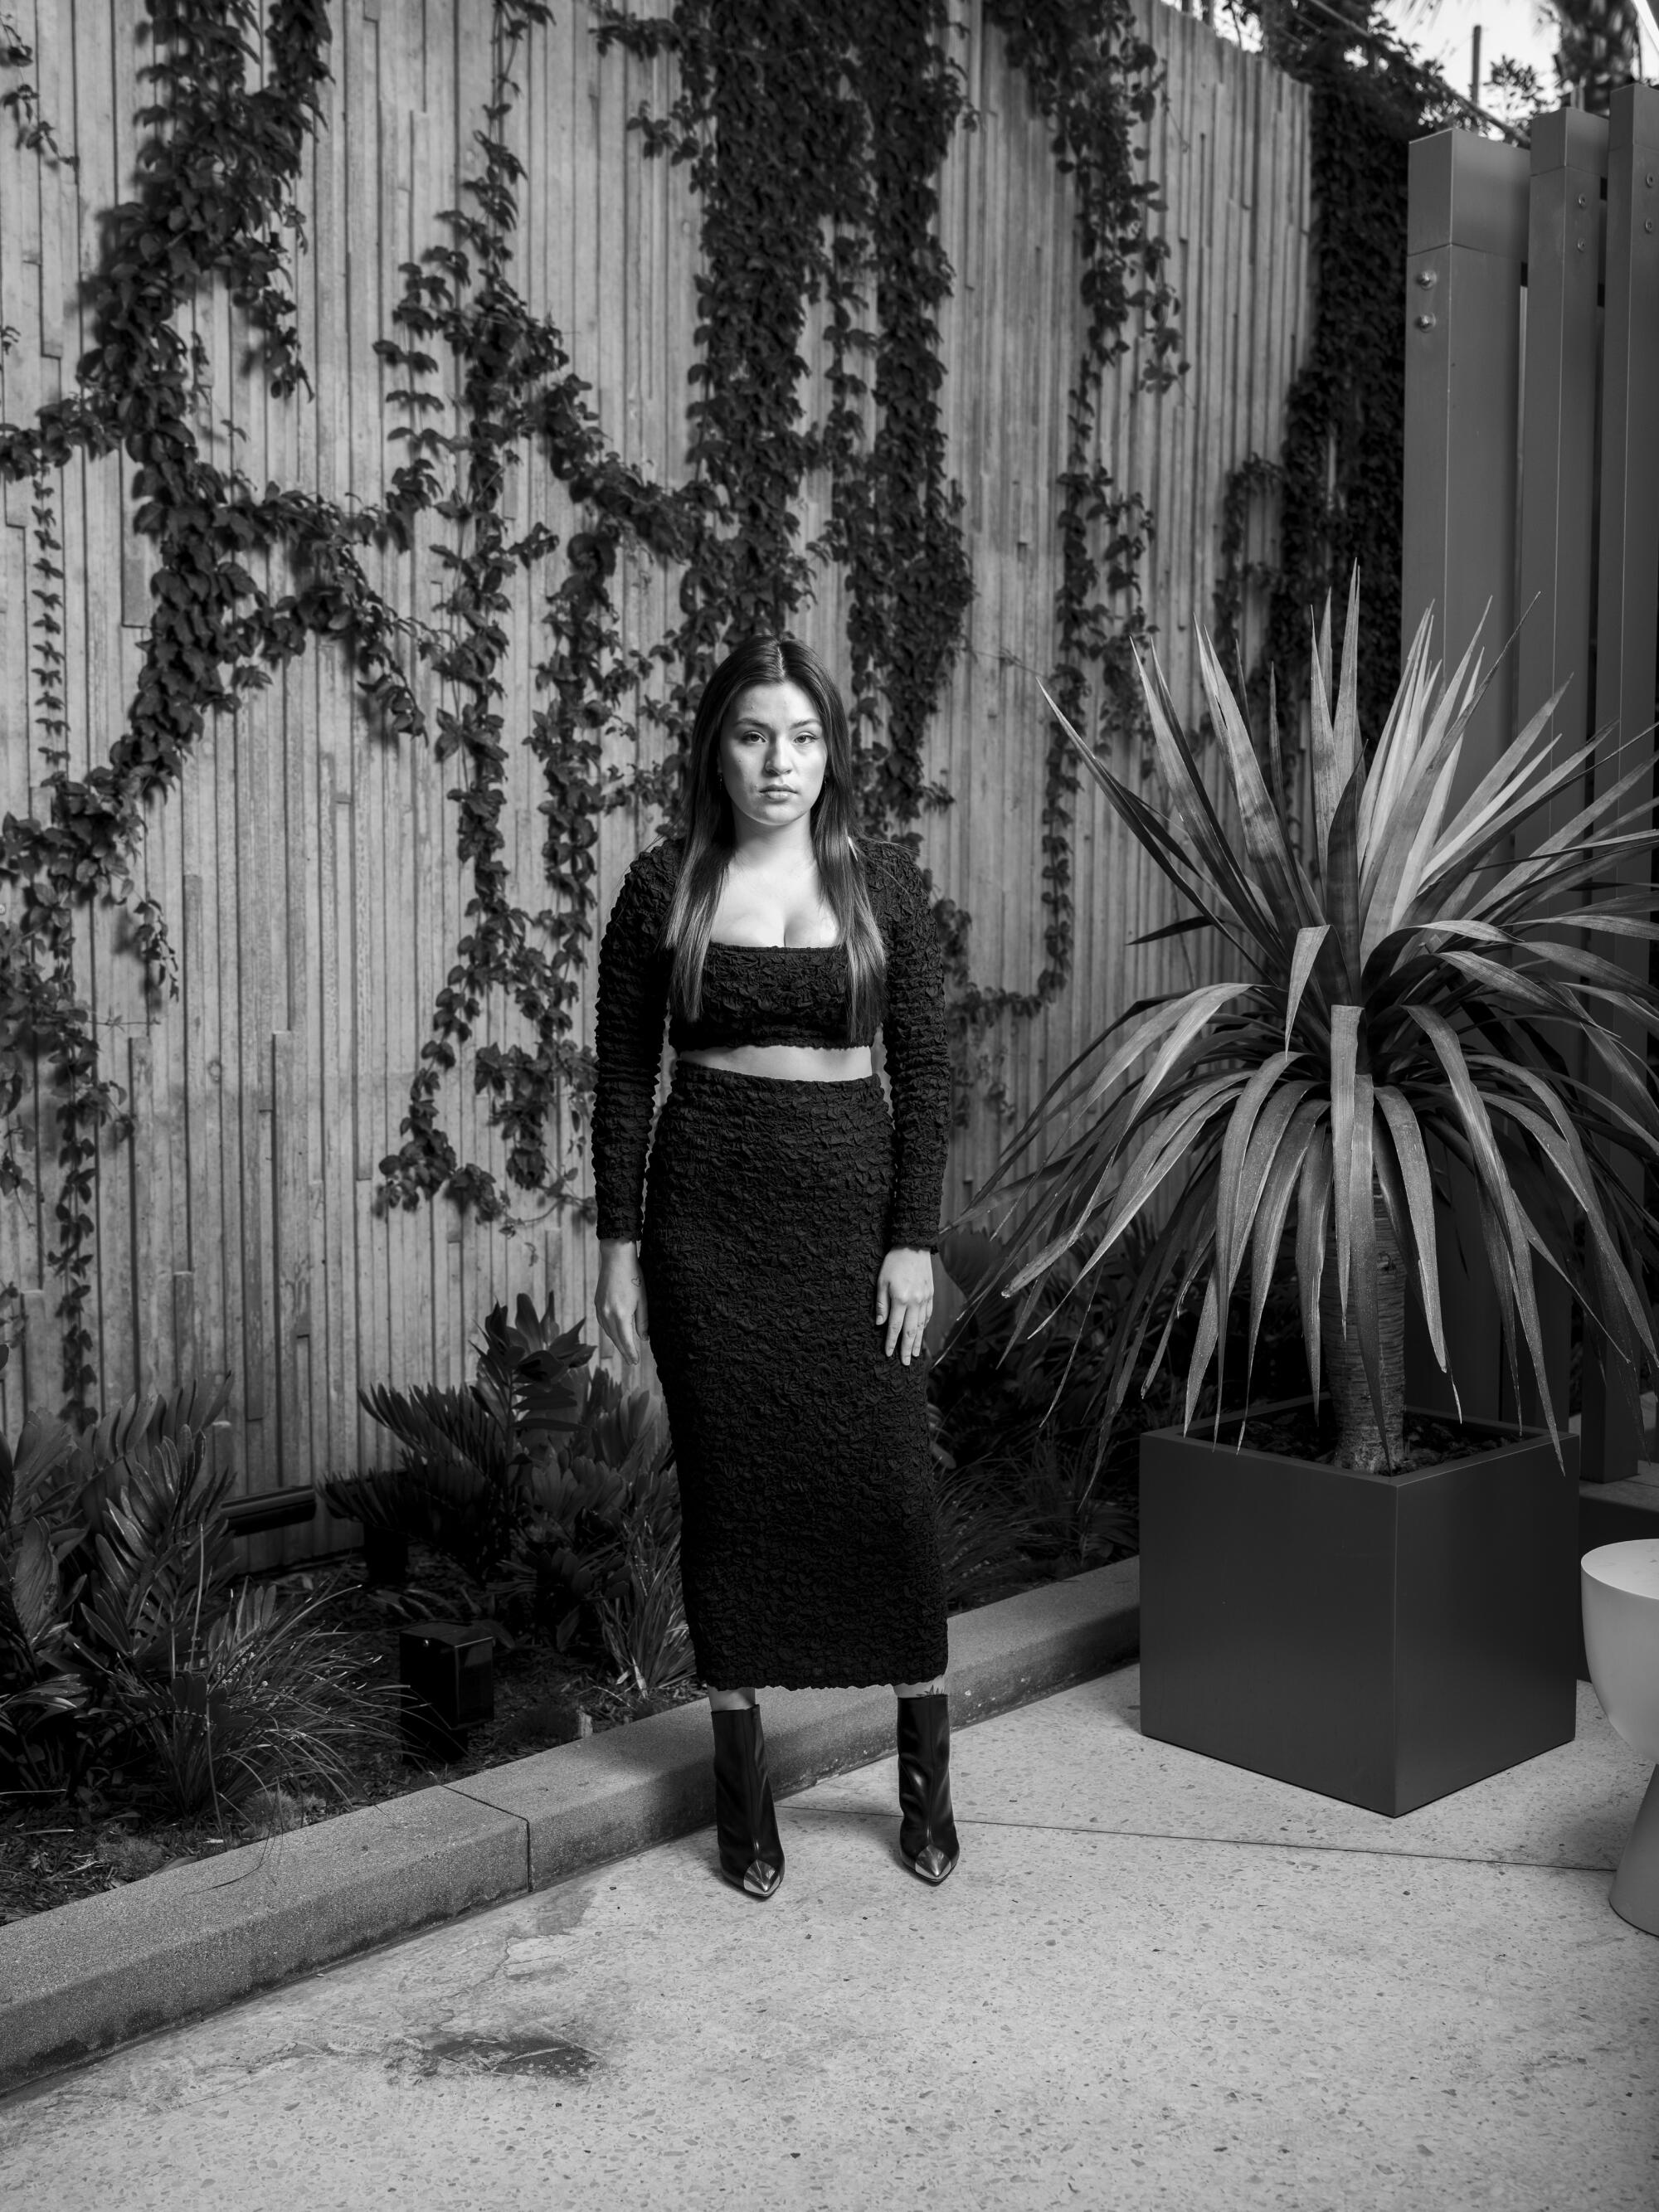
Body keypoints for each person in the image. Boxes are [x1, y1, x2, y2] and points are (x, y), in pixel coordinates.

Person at [591, 634, 960, 1900]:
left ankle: (926, 1792)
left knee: (893, 1502)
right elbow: (622, 1079)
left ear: (832, 750)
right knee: (734, 1506)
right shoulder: (662, 892)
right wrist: (619, 1248)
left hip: (854, 1224)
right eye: (754, 735)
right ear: (716, 748)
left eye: (802, 737)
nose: (779, 762)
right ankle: (745, 1811)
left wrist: (913, 1240)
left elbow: (933, 1073)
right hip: (711, 1229)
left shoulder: (883, 887)